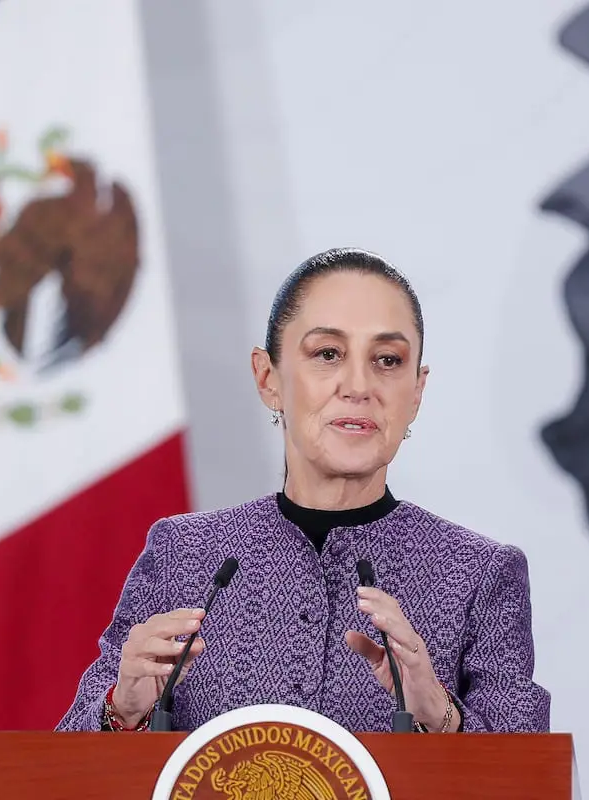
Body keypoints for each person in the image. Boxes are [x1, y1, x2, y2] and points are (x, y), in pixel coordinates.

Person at [55, 247, 551, 733]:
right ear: (268, 377)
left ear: (416, 392)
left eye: (387, 360)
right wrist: (123, 710)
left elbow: (531, 779)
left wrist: (441, 716)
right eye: (328, 354)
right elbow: (62, 771)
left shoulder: (479, 575)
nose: (359, 386)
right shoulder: (183, 556)